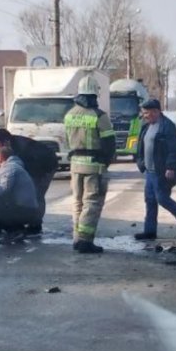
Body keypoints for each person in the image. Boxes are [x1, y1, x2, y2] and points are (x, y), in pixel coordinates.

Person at [0, 128, 57, 238]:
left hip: (46, 164)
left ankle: (35, 226)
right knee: (25, 192)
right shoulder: (11, 153)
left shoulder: (21, 150)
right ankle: (20, 224)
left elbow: (7, 181)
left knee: (37, 193)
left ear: (6, 142)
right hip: (34, 163)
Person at [64, 77, 115, 253]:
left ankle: (77, 238)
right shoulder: (99, 116)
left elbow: (66, 140)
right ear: (95, 94)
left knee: (77, 202)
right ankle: (85, 241)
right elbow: (109, 144)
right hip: (94, 166)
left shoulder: (69, 114)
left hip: (75, 165)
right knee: (92, 203)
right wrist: (106, 162)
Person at [135, 99, 176, 240]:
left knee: (162, 198)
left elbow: (174, 149)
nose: (145, 115)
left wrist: (170, 167)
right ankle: (150, 232)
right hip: (149, 171)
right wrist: (140, 162)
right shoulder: (146, 126)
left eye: (147, 113)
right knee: (150, 201)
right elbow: (141, 145)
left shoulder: (167, 126)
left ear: (156, 111)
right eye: (144, 113)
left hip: (161, 171)